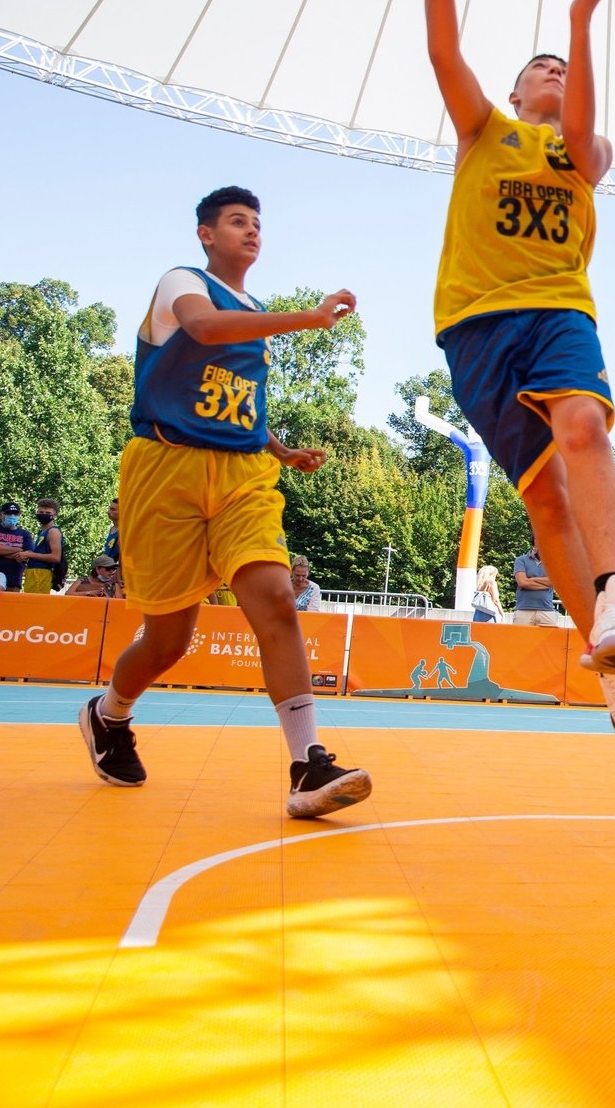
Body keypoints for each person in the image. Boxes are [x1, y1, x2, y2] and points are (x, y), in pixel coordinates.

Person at [423, 0, 615, 744]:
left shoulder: (585, 156)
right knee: (545, 502)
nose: (553, 69)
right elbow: (444, 48)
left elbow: (589, 122)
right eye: (540, 65)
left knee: (585, 429)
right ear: (516, 92)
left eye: (563, 66)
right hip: (476, 323)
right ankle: (609, 670)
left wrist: (579, 21)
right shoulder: (484, 129)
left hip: (559, 308)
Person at [77, 184, 371, 820]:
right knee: (168, 640)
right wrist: (310, 319)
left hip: (241, 472)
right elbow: (205, 331)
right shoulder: (182, 282)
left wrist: (281, 449)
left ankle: (307, 763)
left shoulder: (254, 311)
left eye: (258, 223)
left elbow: (237, 401)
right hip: (166, 465)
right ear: (207, 234)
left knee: (275, 599)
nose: (252, 231)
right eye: (238, 221)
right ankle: (109, 715)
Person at [18, 496, 67, 595]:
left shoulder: (53, 531)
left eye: (48, 513)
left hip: (41, 573)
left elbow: (55, 557)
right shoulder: (42, 532)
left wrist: (31, 555)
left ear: (54, 514)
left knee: (35, 603)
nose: (44, 515)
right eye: (41, 512)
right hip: (34, 572)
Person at [0, 502, 30, 591]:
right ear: (1, 515)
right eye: (8, 513)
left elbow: (27, 555)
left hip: (13, 581)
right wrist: (19, 550)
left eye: (15, 514)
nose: (12, 516)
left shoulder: (25, 534)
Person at [511, 546, 562, 626]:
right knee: (520, 638)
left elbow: (556, 582)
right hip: (523, 610)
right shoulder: (521, 560)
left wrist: (531, 579)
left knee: (552, 638)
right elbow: (522, 582)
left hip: (547, 610)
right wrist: (547, 584)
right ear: (533, 546)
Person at [100, 497, 121, 566]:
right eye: (109, 508)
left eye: (113, 509)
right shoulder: (112, 529)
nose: (108, 512)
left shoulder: (125, 532)